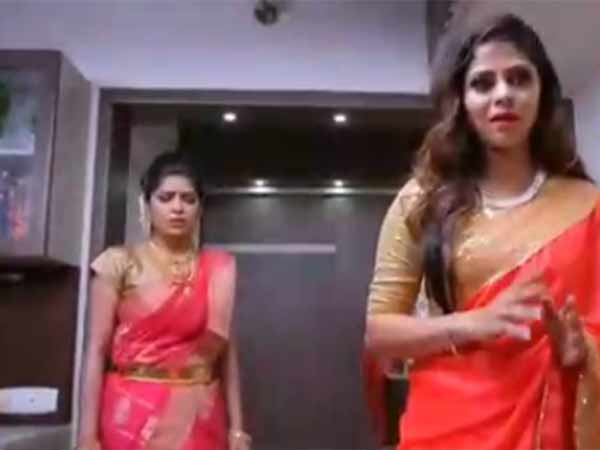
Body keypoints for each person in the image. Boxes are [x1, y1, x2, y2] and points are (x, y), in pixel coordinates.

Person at [364, 13, 600, 450]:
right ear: (462, 100)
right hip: (447, 427)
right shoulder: (422, 201)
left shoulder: (586, 206)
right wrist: (473, 323)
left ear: (542, 92)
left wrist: (582, 351)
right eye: (483, 83)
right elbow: (380, 334)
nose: (503, 94)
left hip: (551, 427)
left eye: (519, 79)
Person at [78, 152, 251, 450]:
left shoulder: (216, 268)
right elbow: (96, 350)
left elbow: (227, 352)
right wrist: (87, 436)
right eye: (166, 198)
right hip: (131, 414)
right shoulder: (119, 262)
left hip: (199, 412)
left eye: (188, 199)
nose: (177, 208)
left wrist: (237, 429)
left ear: (200, 208)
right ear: (146, 204)